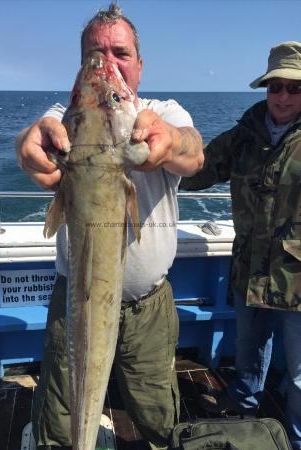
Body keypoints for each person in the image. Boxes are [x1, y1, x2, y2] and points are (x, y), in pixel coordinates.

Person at [16, 4, 204, 450]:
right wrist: (29, 150)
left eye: (120, 53)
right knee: (61, 420)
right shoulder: (67, 118)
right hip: (74, 296)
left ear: (140, 64)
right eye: (93, 54)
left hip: (148, 307)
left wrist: (171, 141)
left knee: (158, 415)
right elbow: (35, 140)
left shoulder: (164, 112)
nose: (106, 64)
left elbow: (194, 153)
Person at [180, 41, 301, 450]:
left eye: (294, 88)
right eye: (275, 87)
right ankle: (244, 405)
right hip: (249, 268)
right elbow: (197, 169)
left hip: (296, 280)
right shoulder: (244, 135)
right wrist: (152, 164)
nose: (283, 96)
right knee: (248, 347)